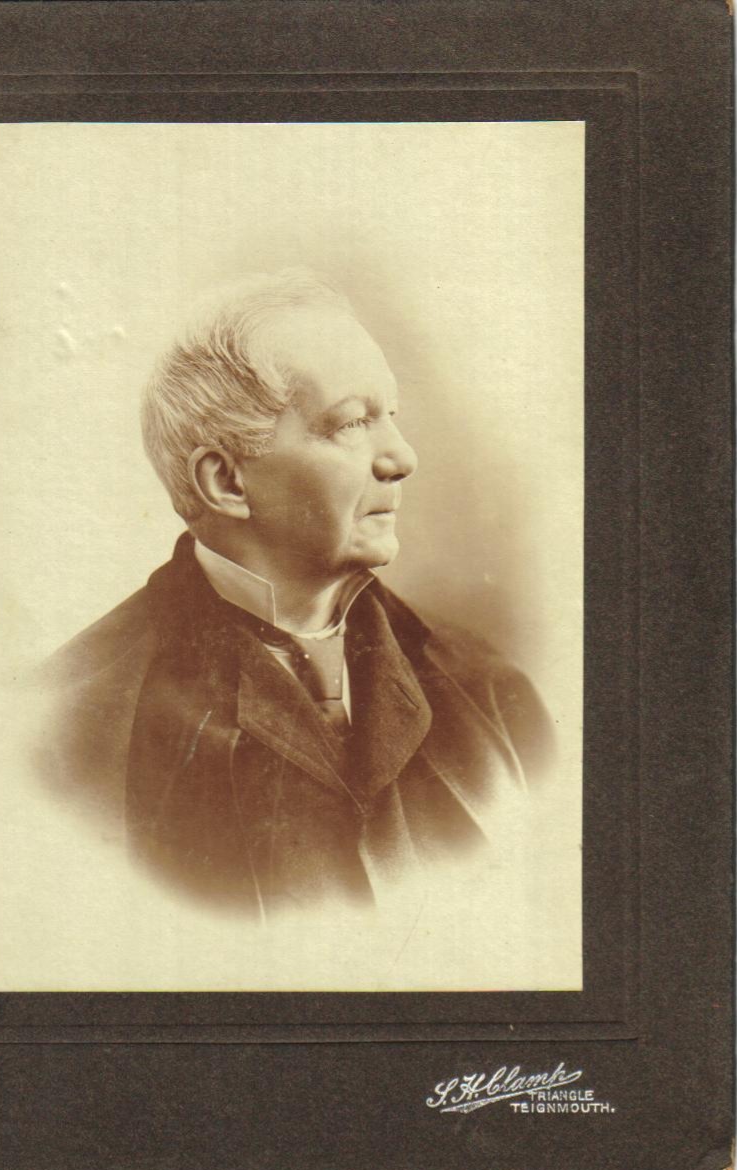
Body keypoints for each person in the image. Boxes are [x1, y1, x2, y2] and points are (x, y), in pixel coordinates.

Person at [33, 268, 553, 917]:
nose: (402, 457)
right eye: (351, 423)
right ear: (227, 481)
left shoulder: (491, 695)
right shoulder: (62, 735)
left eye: (391, 416)